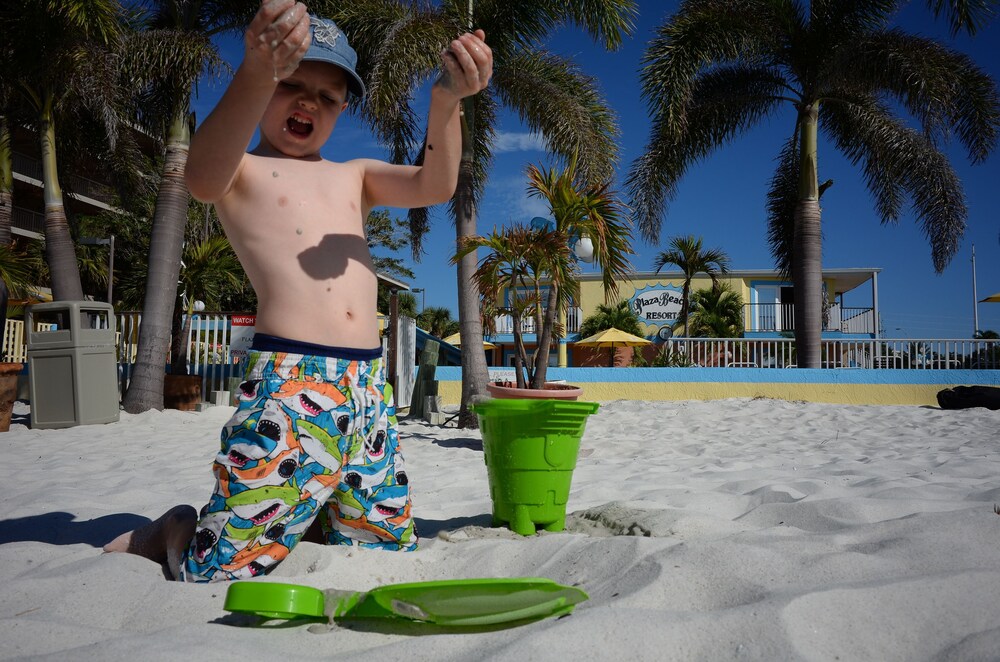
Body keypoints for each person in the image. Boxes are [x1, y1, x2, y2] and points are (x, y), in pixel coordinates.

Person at [104, 0, 493, 582]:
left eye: (328, 96)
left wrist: (446, 101)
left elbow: (434, 184)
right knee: (224, 568)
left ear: (341, 111)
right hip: (291, 382)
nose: (308, 101)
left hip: (367, 390)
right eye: (292, 83)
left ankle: (312, 517)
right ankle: (176, 530)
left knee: (382, 550)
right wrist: (258, 70)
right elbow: (202, 176)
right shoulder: (243, 170)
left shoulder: (353, 175)